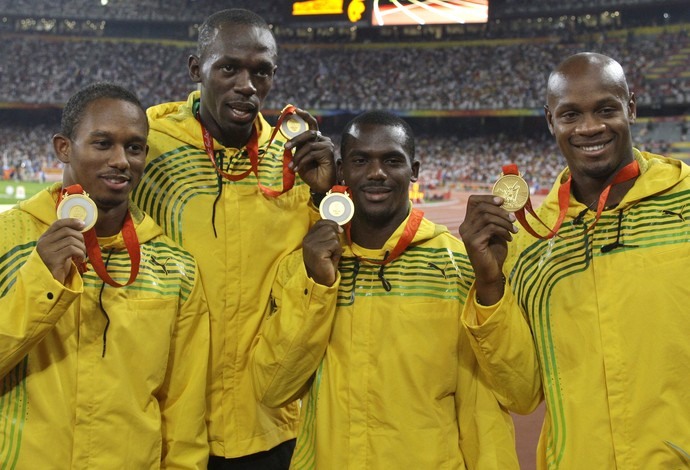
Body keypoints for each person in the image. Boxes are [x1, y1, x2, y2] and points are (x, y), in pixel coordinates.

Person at [250, 110, 520, 469]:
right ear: (342, 170)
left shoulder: (459, 267)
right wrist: (317, 286)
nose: (376, 172)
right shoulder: (306, 267)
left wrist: (489, 285)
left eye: (392, 160)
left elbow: (495, 404)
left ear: (415, 171)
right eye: (361, 160)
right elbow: (272, 388)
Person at [459, 52, 690, 469]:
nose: (589, 127)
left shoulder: (686, 202)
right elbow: (522, 392)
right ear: (550, 121)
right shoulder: (532, 245)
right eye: (570, 114)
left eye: (606, 109)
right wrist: (490, 285)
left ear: (631, 107)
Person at [130, 9, 336, 469]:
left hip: (271, 422)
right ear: (195, 69)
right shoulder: (148, 146)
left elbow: (327, 268)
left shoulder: (294, 158)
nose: (247, 84)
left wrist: (328, 192)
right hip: (171, 424)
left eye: (260, 71)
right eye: (229, 68)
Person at [0, 83, 210, 468]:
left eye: (133, 148)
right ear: (64, 148)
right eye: (102, 144)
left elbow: (184, 411)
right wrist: (42, 281)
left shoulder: (175, 267)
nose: (120, 160)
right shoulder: (7, 240)